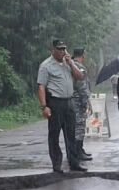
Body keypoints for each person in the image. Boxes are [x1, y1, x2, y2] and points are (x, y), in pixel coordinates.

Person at [37, 39, 87, 173]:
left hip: (69, 102)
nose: (62, 51)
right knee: (54, 134)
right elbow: (41, 87)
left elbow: (80, 76)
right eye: (59, 49)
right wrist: (44, 106)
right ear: (52, 50)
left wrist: (70, 62)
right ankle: (57, 164)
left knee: (71, 134)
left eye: (64, 48)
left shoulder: (68, 63)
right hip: (55, 102)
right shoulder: (46, 66)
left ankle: (74, 162)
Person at [67, 47, 93, 162]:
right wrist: (86, 101)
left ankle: (79, 150)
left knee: (76, 126)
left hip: (71, 100)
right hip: (77, 100)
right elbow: (81, 85)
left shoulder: (70, 65)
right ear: (83, 55)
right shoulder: (79, 67)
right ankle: (77, 151)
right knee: (79, 127)